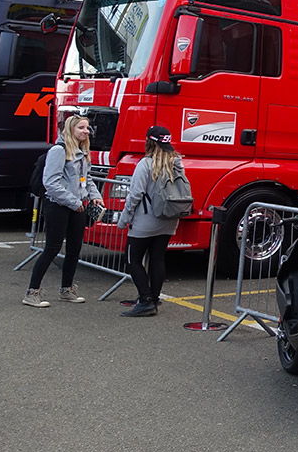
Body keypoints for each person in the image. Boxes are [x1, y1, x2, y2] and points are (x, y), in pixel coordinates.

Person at [23, 116, 104, 308]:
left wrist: (95, 195)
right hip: (58, 205)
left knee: (74, 249)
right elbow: (51, 183)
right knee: (52, 248)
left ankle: (66, 289)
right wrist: (73, 201)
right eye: (81, 127)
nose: (86, 131)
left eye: (87, 128)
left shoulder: (83, 152)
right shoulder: (59, 151)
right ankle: (32, 292)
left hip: (78, 206)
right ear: (71, 129)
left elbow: (87, 178)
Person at [116, 126, 184, 317]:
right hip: (169, 219)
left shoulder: (145, 164)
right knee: (157, 258)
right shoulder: (177, 162)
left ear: (149, 141)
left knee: (132, 259)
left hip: (146, 220)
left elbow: (135, 194)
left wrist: (123, 220)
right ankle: (153, 298)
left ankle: (145, 300)